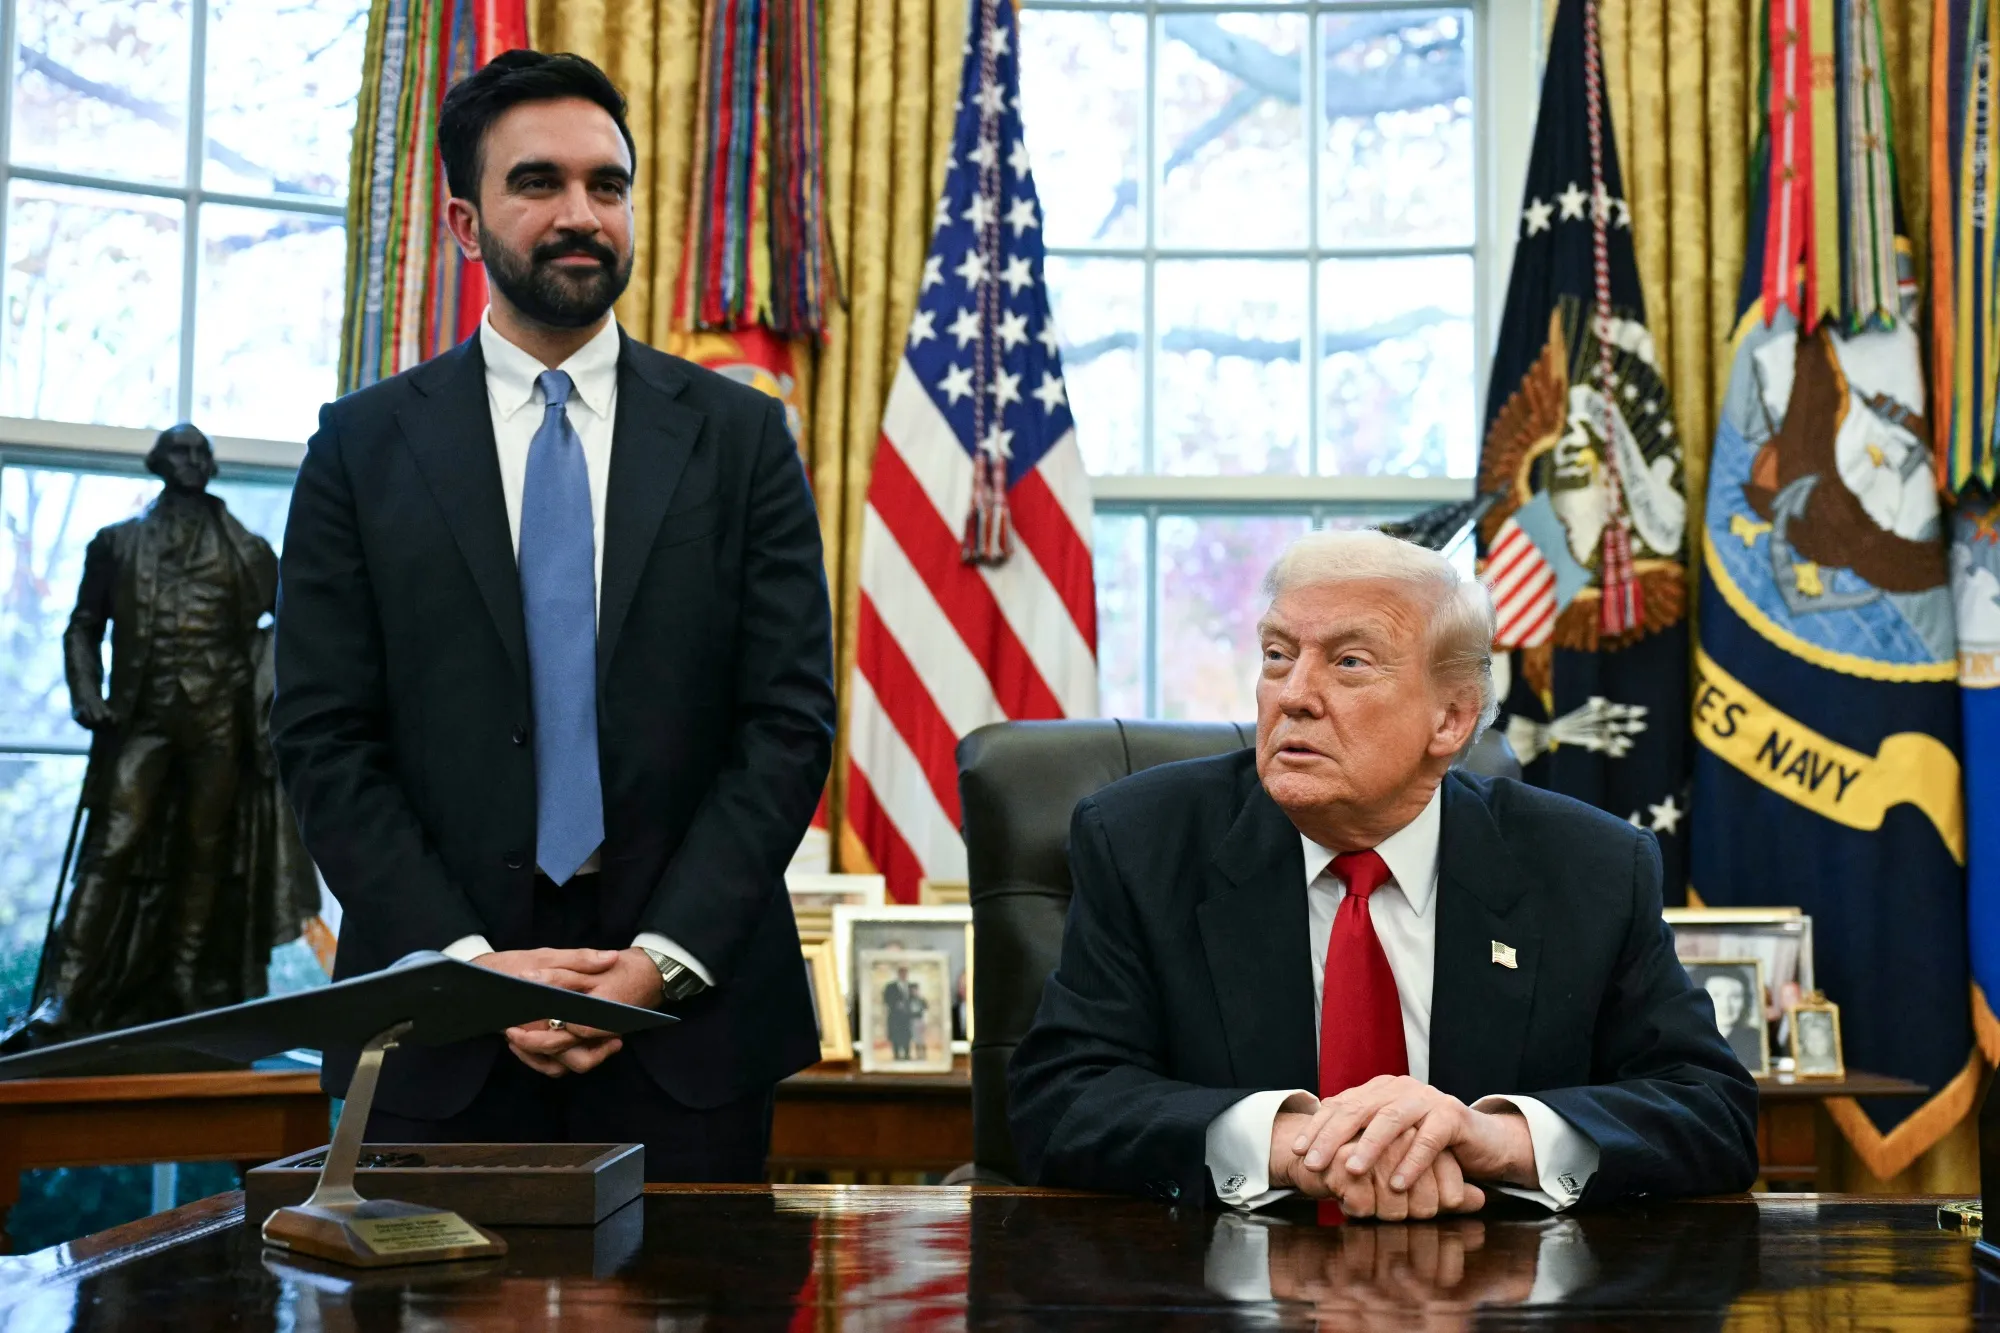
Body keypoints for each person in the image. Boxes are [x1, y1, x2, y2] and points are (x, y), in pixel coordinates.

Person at [271, 50, 834, 1181]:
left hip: (691, 1033)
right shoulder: (360, 446)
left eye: (607, 185)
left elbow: (786, 722)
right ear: (465, 223)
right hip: (432, 1044)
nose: (581, 215)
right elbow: (324, 740)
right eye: (538, 183)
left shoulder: (741, 438)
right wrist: (472, 968)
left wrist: (658, 963)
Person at [1008, 530, 1758, 1216]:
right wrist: (1293, 1143)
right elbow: (1060, 1100)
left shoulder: (1588, 866)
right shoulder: (1142, 841)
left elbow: (1712, 1111)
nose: (1293, 694)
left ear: (1451, 720)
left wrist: (1490, 1137)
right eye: (1276, 654)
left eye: (1348, 662)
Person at [1702, 973, 1765, 1071]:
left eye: (1735, 997)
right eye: (1716, 995)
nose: (1726, 1005)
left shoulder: (1756, 1039)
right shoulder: (1686, 1038)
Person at [884, 967, 914, 1061]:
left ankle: (907, 1054)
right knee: (895, 1036)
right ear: (899, 974)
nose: (904, 975)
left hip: (907, 1017)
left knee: (906, 1036)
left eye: (905, 973)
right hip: (895, 1016)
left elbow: (915, 999)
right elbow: (886, 999)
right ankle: (896, 1055)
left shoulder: (910, 986)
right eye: (902, 973)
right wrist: (896, 1004)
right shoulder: (891, 986)